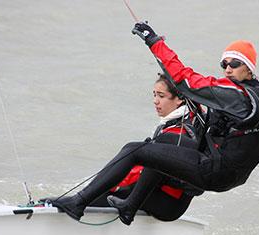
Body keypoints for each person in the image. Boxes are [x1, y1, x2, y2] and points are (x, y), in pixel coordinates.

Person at [44, 22, 259, 226]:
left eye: (234, 63)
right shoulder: (256, 97)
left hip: (214, 172)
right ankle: (129, 207)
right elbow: (185, 85)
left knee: (134, 150)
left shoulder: (239, 97)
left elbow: (185, 80)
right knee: (156, 153)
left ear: (249, 69)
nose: (228, 69)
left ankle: (78, 202)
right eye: (224, 64)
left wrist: (154, 42)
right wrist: (164, 63)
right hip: (226, 175)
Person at [86, 73, 203, 222]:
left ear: (179, 99)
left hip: (166, 203)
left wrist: (114, 184)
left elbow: (148, 170)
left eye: (161, 96)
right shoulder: (181, 123)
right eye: (154, 95)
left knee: (103, 193)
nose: (155, 101)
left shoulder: (179, 132)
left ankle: (65, 206)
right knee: (106, 188)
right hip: (168, 199)